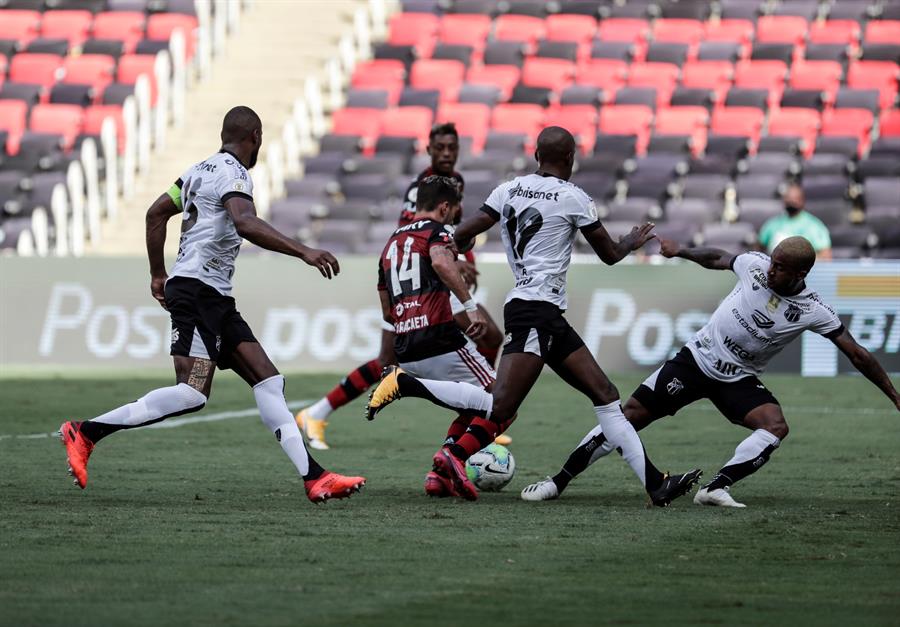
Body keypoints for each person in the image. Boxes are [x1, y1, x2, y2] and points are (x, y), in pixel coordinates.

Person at [367, 126, 702, 505]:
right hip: (535, 312)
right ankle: (408, 387)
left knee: (605, 394)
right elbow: (609, 254)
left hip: (541, 313)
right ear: (571, 158)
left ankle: (655, 484)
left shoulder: (507, 190)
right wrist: (632, 240)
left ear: (536, 156)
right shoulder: (575, 198)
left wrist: (460, 251)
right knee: (500, 405)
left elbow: (458, 236)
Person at [58, 106, 366, 504]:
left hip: (213, 296)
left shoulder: (195, 172)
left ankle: (314, 477)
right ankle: (85, 432)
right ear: (253, 136)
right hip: (199, 293)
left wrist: (157, 274)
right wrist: (304, 251)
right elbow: (245, 222)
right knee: (191, 393)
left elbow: (156, 214)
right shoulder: (235, 174)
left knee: (268, 381)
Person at [520, 236, 900, 507]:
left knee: (775, 425)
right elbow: (719, 257)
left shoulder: (813, 309)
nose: (770, 270)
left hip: (738, 379)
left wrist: (895, 397)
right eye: (772, 261)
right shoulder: (754, 266)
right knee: (629, 416)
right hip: (695, 361)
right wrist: (680, 251)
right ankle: (558, 481)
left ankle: (716, 488)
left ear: (801, 273)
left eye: (781, 268)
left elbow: (859, 355)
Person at [295, 122, 506, 450]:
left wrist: (462, 252)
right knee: (389, 361)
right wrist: (455, 260)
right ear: (429, 150)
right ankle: (483, 411)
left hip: (427, 280)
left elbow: (455, 232)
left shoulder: (455, 183)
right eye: (441, 148)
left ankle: (479, 413)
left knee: (483, 338)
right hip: (416, 282)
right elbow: (420, 235)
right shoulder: (421, 187)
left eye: (453, 148)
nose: (447, 153)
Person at [375, 174, 506, 496]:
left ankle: (441, 476)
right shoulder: (437, 232)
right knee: (503, 404)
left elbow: (386, 310)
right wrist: (470, 306)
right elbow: (442, 263)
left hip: (406, 347)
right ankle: (453, 455)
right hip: (439, 340)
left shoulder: (391, 244)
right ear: (445, 207)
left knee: (475, 405)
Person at [758, 182, 832, 260]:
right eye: (788, 198)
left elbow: (826, 256)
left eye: (795, 198)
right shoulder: (772, 224)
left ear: (802, 200)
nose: (791, 201)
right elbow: (758, 248)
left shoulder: (814, 225)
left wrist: (800, 263)